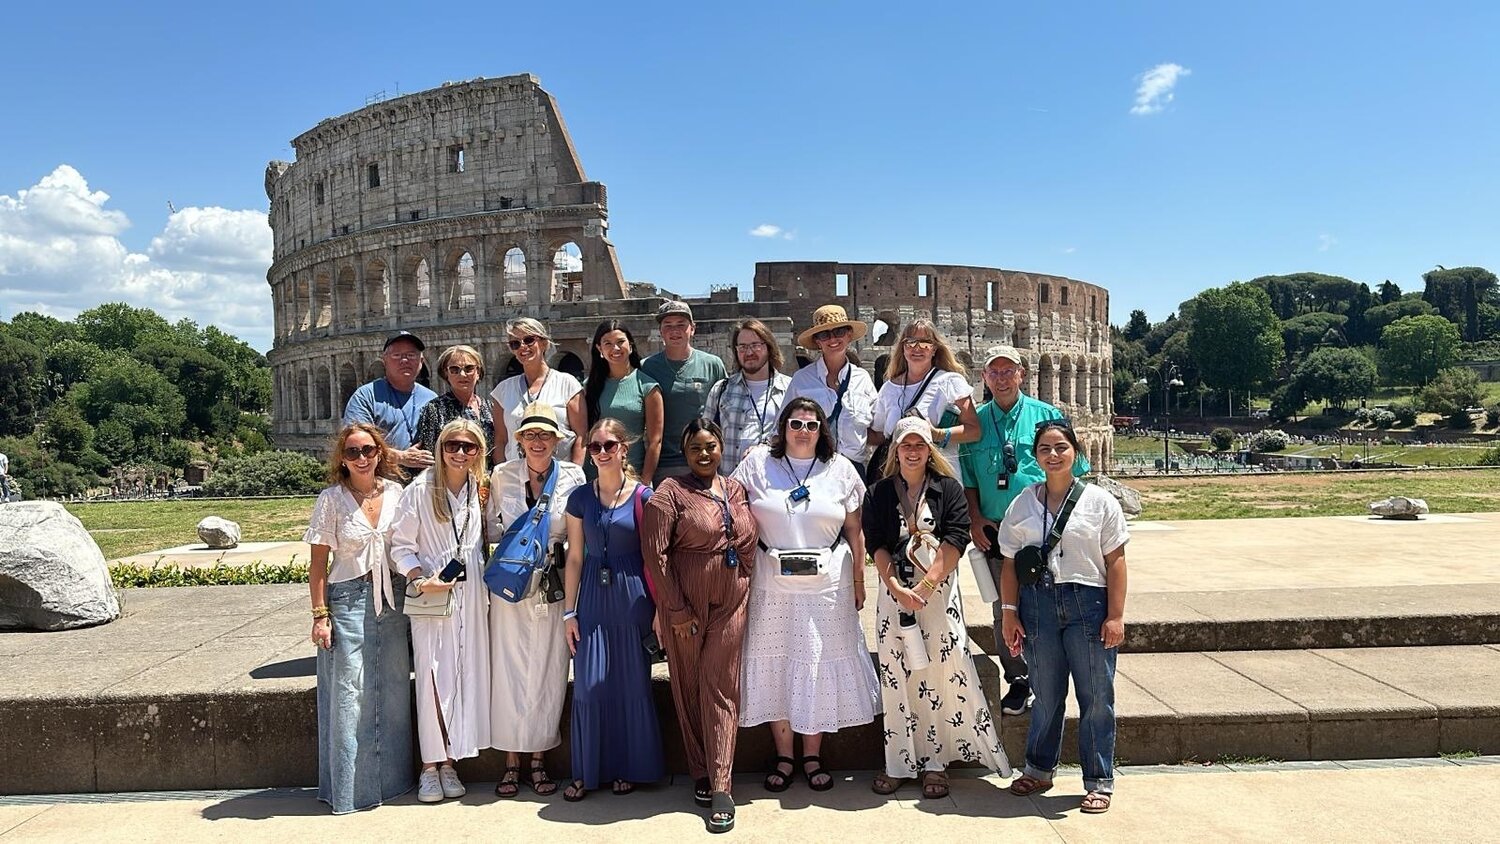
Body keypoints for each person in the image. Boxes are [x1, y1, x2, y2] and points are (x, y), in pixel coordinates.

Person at [731, 399, 879, 794]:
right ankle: (784, 755)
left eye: (811, 425)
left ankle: (812, 755)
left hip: (827, 584)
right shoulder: (757, 463)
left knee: (816, 661)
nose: (802, 431)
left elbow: (855, 530)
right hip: (771, 581)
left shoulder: (840, 469)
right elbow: (731, 506)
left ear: (822, 431)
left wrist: (860, 581)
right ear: (782, 427)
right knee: (778, 663)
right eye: (795, 423)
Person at [863, 417, 1010, 799]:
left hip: (938, 596)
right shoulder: (879, 492)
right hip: (895, 596)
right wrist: (897, 587)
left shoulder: (948, 489)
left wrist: (925, 587)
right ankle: (898, 761)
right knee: (897, 673)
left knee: (939, 673)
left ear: (930, 449)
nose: (913, 451)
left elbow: (957, 538)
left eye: (920, 444)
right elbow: (876, 542)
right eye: (906, 444)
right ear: (895, 450)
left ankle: (935, 763)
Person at [998, 419, 1128, 814]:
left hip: (1087, 603)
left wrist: (1116, 616)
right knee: (1047, 693)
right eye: (1044, 449)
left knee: (1096, 696)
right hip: (1038, 604)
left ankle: (1098, 780)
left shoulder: (1099, 501)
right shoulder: (1024, 502)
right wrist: (1009, 613)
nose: (1053, 456)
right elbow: (1008, 563)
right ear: (1035, 457)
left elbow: (1116, 561)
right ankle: (1038, 769)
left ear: (1075, 452)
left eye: (1060, 448)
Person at [641, 419, 757, 833]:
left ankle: (722, 784)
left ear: (721, 446)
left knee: (721, 686)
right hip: (685, 605)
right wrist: (674, 608)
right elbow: (655, 554)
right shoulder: (670, 493)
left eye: (710, 446)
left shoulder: (737, 489)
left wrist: (741, 569)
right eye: (695, 448)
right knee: (688, 687)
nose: (704, 454)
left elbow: (748, 537)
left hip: (731, 602)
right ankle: (701, 772)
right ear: (685, 452)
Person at [959, 345, 1089, 717]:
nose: (1001, 379)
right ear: (984, 378)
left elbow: (1073, 469)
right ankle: (1018, 679)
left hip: (1043, 526)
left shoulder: (1046, 415)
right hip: (997, 530)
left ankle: (1048, 676)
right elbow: (968, 478)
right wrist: (974, 517)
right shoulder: (976, 423)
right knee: (1006, 609)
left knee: (1050, 602)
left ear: (1021, 374)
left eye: (1007, 371)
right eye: (993, 372)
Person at [304, 423, 414, 813]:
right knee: (351, 695)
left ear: (380, 453)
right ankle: (353, 791)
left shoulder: (398, 494)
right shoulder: (331, 499)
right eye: (353, 452)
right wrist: (320, 615)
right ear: (342, 458)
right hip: (348, 599)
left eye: (368, 450)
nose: (362, 458)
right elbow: (318, 565)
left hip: (395, 599)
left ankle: (394, 783)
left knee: (395, 688)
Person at [560, 418, 667, 801]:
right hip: (592, 593)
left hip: (633, 596)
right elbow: (574, 557)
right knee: (588, 687)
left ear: (624, 448)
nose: (602, 452)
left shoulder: (644, 496)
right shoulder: (579, 498)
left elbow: (655, 557)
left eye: (609, 445)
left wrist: (660, 609)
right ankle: (587, 770)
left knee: (631, 684)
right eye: (595, 446)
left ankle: (628, 768)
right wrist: (569, 613)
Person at [484, 403, 586, 799]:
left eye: (545, 435)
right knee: (507, 672)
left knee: (548, 670)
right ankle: (512, 762)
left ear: (557, 440)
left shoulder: (573, 476)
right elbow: (490, 527)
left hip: (554, 585)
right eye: (530, 435)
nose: (538, 442)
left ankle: (540, 759)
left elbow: (577, 538)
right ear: (519, 440)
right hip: (511, 588)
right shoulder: (501, 476)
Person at [390, 418, 491, 803]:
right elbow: (401, 546)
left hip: (471, 594)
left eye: (468, 446)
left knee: (463, 675)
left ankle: (451, 761)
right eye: (453, 445)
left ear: (478, 451)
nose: (460, 453)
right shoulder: (419, 490)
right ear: (440, 448)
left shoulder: (477, 490)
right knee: (433, 675)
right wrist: (420, 579)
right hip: (432, 592)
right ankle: (429, 766)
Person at [866, 319, 980, 480]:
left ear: (934, 349)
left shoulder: (951, 382)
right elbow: (880, 436)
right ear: (903, 348)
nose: (917, 348)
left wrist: (937, 434)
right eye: (911, 342)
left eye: (925, 343)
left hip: (940, 480)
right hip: (896, 482)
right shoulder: (889, 389)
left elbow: (974, 430)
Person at [640, 300, 727, 484]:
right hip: (663, 463)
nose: (675, 331)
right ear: (661, 331)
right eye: (668, 326)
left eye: (681, 324)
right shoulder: (647, 367)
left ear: (692, 329)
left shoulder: (712, 364)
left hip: (703, 460)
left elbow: (725, 411)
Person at [787, 305, 878, 477]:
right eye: (824, 334)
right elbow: (783, 426)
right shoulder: (801, 380)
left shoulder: (863, 379)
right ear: (817, 341)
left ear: (849, 335)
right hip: (812, 469)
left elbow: (876, 428)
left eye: (839, 331)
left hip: (853, 471)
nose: (832, 339)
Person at [491, 318, 587, 465]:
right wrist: (501, 475)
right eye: (515, 344)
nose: (522, 347)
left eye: (529, 340)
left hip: (560, 476)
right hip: (516, 477)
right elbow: (501, 440)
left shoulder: (567, 384)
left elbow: (581, 436)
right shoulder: (503, 390)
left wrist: (575, 476)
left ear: (543, 343)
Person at [344, 331, 438, 477]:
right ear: (385, 360)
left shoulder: (432, 398)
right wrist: (401, 457)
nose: (404, 360)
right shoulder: (366, 396)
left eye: (411, 355)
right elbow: (355, 444)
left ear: (421, 361)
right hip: (378, 484)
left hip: (423, 486)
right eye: (397, 355)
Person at [704, 318, 791, 476]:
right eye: (742, 347)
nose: (749, 353)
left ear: (769, 347)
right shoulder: (721, 390)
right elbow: (705, 438)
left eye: (755, 345)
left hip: (775, 485)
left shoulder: (790, 390)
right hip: (730, 485)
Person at [582, 320, 663, 482]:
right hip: (594, 476)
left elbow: (655, 441)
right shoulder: (588, 387)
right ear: (599, 349)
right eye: (608, 344)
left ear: (630, 345)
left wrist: (645, 482)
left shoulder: (648, 386)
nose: (615, 348)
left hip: (632, 476)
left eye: (620, 342)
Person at [414, 344, 495, 459]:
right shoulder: (434, 409)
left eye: (469, 368)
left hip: (487, 475)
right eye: (454, 370)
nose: (462, 374)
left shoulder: (490, 407)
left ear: (478, 372)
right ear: (446, 373)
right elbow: (429, 453)